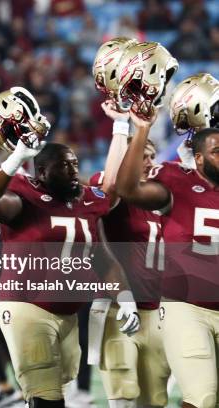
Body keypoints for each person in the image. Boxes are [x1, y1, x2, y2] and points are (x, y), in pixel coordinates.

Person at [0, 88, 140, 406]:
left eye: (75, 163)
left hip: (67, 314)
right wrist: (16, 157)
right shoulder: (25, 195)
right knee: (46, 397)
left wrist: (122, 126)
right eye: (64, 165)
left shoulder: (85, 200)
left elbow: (111, 195)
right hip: (27, 308)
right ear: (42, 172)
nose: (73, 170)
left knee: (57, 392)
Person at [116, 117, 219, 408]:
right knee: (202, 397)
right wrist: (143, 129)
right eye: (217, 151)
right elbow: (128, 189)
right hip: (187, 307)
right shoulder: (178, 182)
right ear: (198, 159)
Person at [88, 103, 170, 408]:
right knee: (122, 395)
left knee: (155, 399)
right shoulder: (112, 191)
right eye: (142, 156)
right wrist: (122, 126)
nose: (148, 162)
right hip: (117, 307)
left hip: (157, 309)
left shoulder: (159, 199)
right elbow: (109, 186)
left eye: (151, 156)